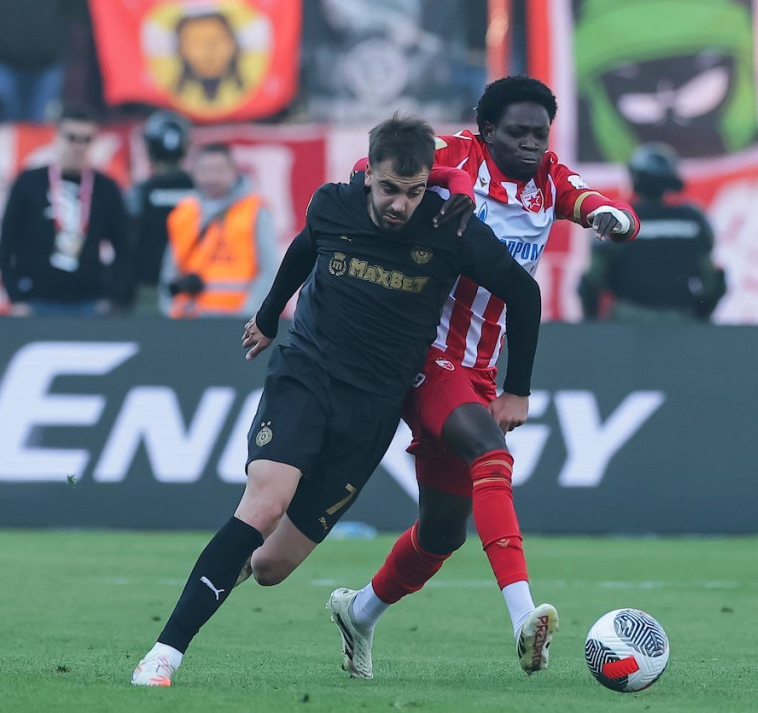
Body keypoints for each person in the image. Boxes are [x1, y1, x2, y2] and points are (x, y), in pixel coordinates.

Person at [131, 115, 542, 687]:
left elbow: (525, 291)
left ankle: (234, 567)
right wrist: (268, 318)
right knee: (264, 503)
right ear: (368, 174)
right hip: (308, 376)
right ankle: (164, 654)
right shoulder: (332, 204)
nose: (400, 204)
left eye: (413, 191)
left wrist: (517, 386)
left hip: (372, 409)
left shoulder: (449, 226)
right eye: (389, 189)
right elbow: (303, 249)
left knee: (271, 567)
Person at [330, 75, 639, 677]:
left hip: (476, 369)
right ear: (488, 129)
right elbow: (370, 169)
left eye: (540, 133)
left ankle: (359, 612)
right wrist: (442, 184)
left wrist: (613, 220)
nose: (531, 143)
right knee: (491, 452)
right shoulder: (452, 154)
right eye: (518, 132)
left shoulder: (550, 178)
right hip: (421, 351)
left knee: (441, 533)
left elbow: (603, 205)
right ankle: (524, 618)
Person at [0, 106, 130, 316]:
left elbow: (123, 248)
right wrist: (15, 298)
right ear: (56, 137)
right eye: (72, 138)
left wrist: (112, 298)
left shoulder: (106, 188)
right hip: (35, 301)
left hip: (89, 303)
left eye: (86, 140)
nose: (79, 146)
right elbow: (6, 244)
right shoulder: (29, 182)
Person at [578, 142, 725, 322]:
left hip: (627, 321)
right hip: (679, 320)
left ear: (635, 178)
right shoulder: (692, 220)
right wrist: (699, 318)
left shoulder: (617, 218)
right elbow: (711, 282)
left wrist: (591, 322)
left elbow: (592, 281)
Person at [161, 142, 275, 318]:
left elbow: (269, 270)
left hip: (238, 319)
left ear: (233, 171)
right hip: (190, 319)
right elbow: (170, 270)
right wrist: (171, 311)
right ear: (194, 172)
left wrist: (248, 315)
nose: (211, 178)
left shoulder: (254, 210)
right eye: (205, 171)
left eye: (218, 170)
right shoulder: (183, 213)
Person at [127, 110, 194, 314]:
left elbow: (128, 243)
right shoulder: (200, 192)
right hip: (193, 287)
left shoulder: (140, 193)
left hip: (149, 289)